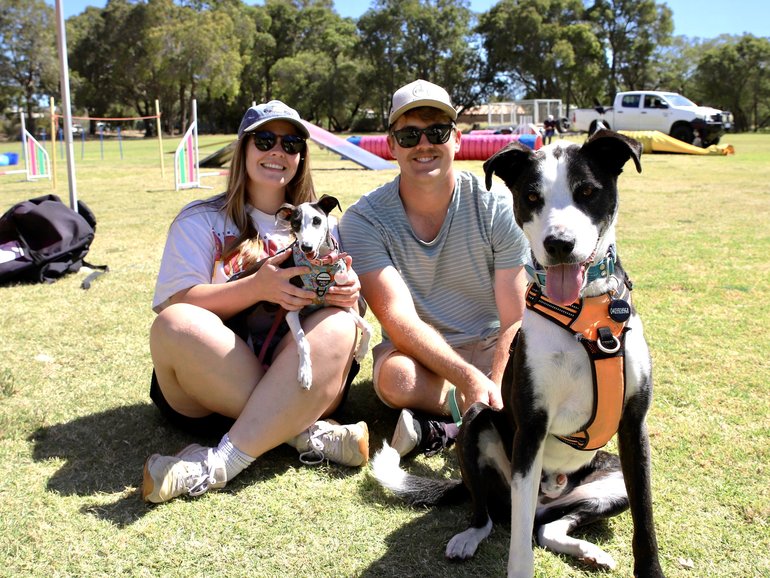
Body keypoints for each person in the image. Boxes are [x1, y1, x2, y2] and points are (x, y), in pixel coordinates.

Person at [142, 100, 369, 504]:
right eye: (264, 140)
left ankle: (216, 465)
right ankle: (302, 431)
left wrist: (350, 294)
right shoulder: (200, 219)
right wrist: (256, 288)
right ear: (243, 148)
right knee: (176, 323)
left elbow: (348, 315)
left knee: (339, 325)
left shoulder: (324, 225)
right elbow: (176, 302)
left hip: (299, 370)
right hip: (214, 381)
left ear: (301, 156)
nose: (277, 151)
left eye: (291, 143)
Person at [339, 80, 529, 458]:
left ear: (456, 139)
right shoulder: (363, 220)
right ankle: (487, 415)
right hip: (422, 356)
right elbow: (399, 322)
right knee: (395, 378)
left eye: (437, 132)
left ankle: (448, 425)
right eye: (409, 135)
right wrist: (470, 379)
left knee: (541, 360)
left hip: (494, 349)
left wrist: (493, 378)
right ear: (391, 146)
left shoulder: (497, 205)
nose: (424, 144)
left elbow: (515, 318)